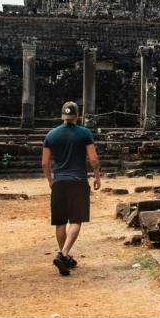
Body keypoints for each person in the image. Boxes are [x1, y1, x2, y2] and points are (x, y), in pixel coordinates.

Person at [41, 101, 101, 276]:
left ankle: (65, 258)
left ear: (63, 116)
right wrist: (97, 177)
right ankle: (64, 254)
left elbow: (44, 163)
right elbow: (93, 159)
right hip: (78, 181)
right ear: (77, 116)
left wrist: (50, 181)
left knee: (60, 222)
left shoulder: (51, 135)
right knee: (75, 220)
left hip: (59, 181)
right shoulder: (84, 133)